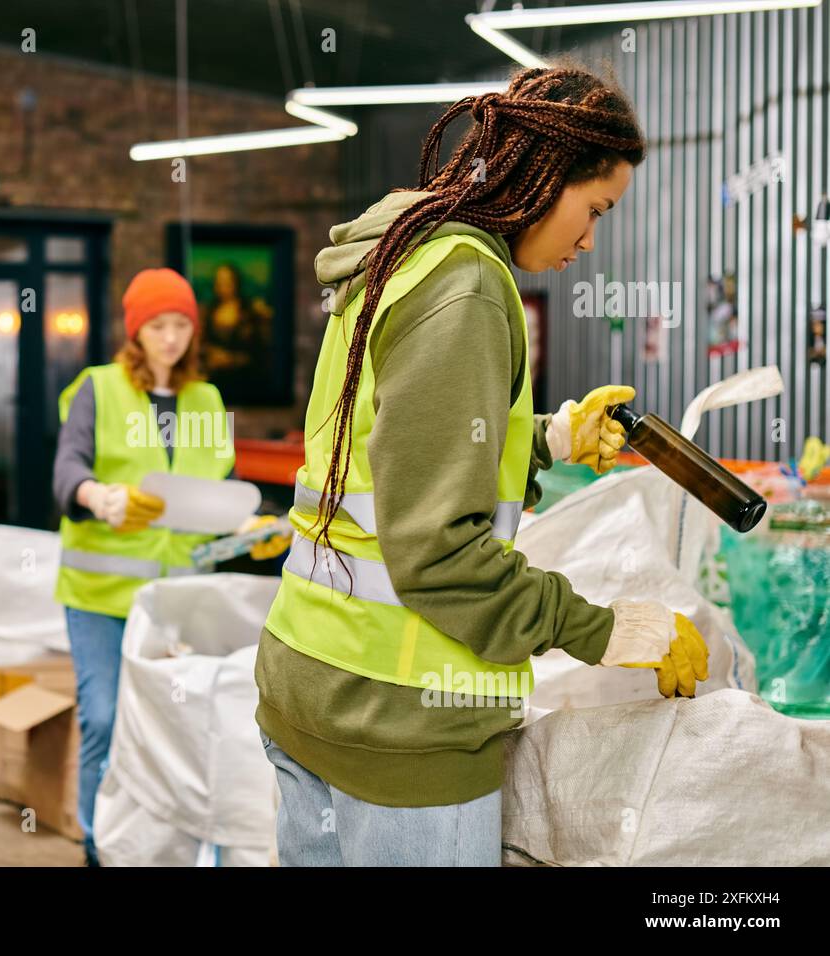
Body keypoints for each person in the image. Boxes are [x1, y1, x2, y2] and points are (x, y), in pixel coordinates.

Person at [256, 66, 710, 867]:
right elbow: (439, 555)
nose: (590, 241)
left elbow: (390, 444)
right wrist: (600, 630)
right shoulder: (465, 287)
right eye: (594, 210)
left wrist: (546, 439)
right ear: (543, 176)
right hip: (400, 721)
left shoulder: (406, 252)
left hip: (312, 677)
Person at [53, 266, 288, 866]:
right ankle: (95, 844)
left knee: (173, 723)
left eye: (181, 323)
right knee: (104, 719)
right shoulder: (98, 389)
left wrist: (252, 522)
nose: (170, 337)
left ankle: (162, 845)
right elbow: (67, 469)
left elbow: (221, 486)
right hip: (101, 595)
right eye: (157, 324)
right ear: (136, 330)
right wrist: (98, 497)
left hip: (179, 601)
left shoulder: (204, 399)